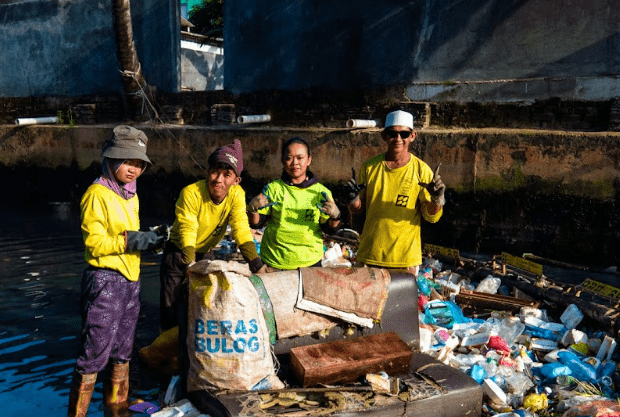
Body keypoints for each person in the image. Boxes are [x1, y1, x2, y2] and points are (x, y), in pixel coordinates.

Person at [68, 125, 165, 417]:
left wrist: (149, 240)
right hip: (104, 281)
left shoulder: (131, 195)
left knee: (123, 351)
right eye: (127, 162)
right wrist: (133, 240)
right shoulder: (97, 194)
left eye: (138, 164)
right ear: (111, 160)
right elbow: (95, 244)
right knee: (94, 352)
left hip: (130, 281)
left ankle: (116, 410)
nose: (133, 169)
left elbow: (129, 238)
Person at [159, 139, 265, 332]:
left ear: (236, 180)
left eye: (227, 175)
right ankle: (167, 346)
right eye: (215, 172)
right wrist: (189, 263)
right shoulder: (191, 193)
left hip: (206, 252)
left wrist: (256, 263)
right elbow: (188, 227)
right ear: (208, 172)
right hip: (179, 253)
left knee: (204, 306)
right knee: (171, 309)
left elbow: (241, 227)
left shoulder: (236, 194)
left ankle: (195, 346)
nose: (219, 179)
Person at [346, 110, 445, 273]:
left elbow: (431, 217)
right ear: (384, 136)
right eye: (392, 133)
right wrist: (352, 198)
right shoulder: (370, 167)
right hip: (370, 255)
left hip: (405, 260)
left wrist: (437, 199)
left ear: (412, 136)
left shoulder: (422, 171)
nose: (398, 139)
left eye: (404, 134)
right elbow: (358, 209)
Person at [247, 137, 341, 269]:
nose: (295, 163)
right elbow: (257, 223)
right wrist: (252, 209)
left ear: (309, 160)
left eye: (300, 158)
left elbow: (329, 229)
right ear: (282, 161)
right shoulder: (273, 189)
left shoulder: (321, 193)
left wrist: (335, 216)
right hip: (274, 261)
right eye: (289, 158)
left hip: (309, 263)